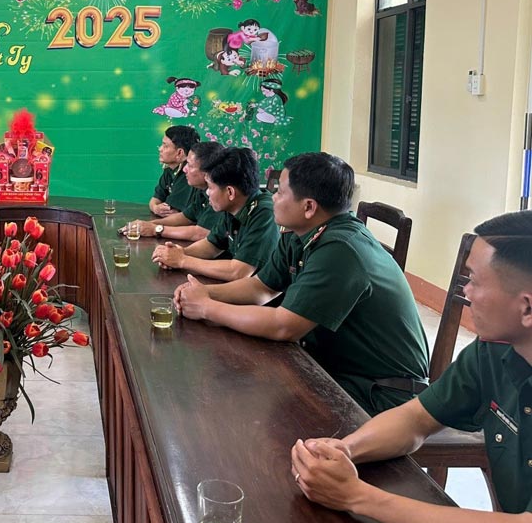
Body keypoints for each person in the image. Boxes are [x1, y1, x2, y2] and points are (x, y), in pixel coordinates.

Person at [290, 211, 532, 523]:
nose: (466, 293)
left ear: (527, 308)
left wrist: (357, 496)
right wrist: (346, 449)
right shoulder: (493, 352)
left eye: (474, 280)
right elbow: (416, 417)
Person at [174, 152, 429, 414]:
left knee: (241, 410)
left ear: (308, 207)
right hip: (331, 369)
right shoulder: (299, 233)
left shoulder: (341, 248)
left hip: (378, 394)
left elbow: (285, 326)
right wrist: (205, 293)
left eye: (280, 193)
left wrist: (206, 308)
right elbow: (260, 288)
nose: (272, 197)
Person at [152, 147, 278, 281]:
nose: (207, 193)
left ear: (230, 192)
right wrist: (178, 253)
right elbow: (211, 245)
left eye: (211, 188)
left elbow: (239, 271)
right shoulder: (234, 206)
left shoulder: (265, 213)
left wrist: (183, 260)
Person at [127, 140, 224, 243]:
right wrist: (148, 224)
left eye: (190, 166)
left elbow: (201, 233)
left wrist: (156, 229)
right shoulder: (202, 191)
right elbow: (186, 217)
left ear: (207, 172)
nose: (184, 169)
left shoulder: (219, 196)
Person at [149, 125, 198, 217]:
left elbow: (171, 210)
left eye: (165, 146)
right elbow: (155, 199)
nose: (160, 149)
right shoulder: (169, 170)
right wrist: (155, 208)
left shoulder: (188, 175)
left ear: (180, 153)